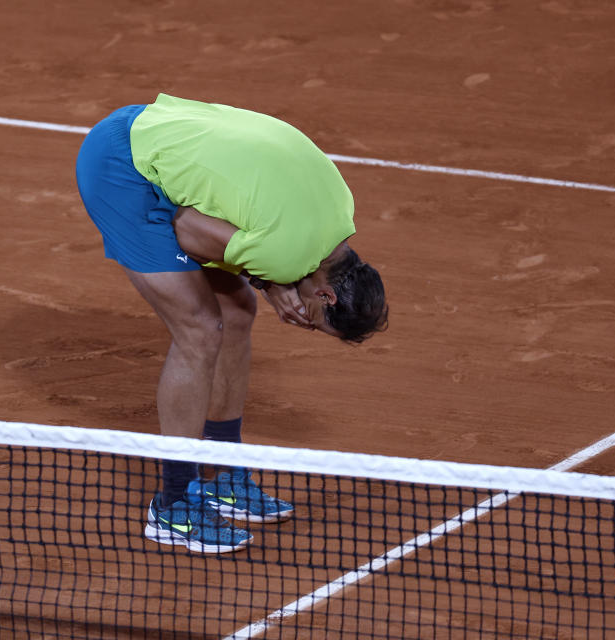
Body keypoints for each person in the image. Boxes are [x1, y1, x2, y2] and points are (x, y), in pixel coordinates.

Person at [75, 94, 387, 554]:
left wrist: (265, 278)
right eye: (315, 321)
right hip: (123, 169)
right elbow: (184, 230)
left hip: (154, 127)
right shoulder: (284, 258)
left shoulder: (342, 212)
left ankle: (220, 472)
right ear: (327, 293)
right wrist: (265, 278)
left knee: (237, 313)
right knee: (200, 328)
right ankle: (174, 505)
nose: (304, 322)